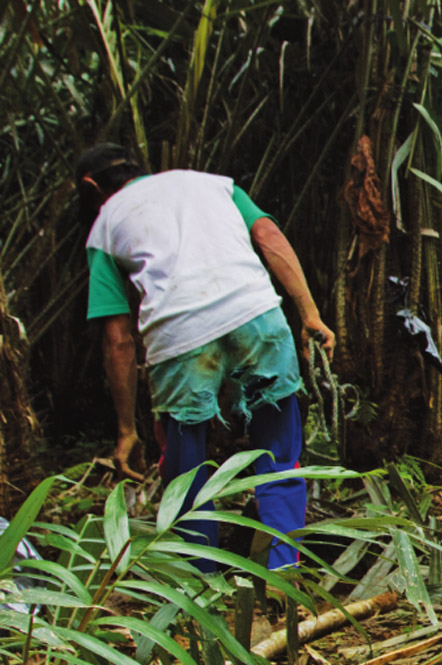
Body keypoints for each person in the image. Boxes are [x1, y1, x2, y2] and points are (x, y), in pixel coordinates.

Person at [77, 143, 334, 570]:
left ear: (89, 187)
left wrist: (126, 429)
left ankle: (200, 587)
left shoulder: (104, 225)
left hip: (180, 340)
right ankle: (283, 572)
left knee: (185, 473)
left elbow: (118, 339)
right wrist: (309, 314)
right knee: (278, 455)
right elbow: (269, 236)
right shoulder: (213, 184)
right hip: (256, 317)